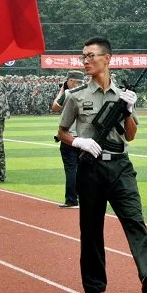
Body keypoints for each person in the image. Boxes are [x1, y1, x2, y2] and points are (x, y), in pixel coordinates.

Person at [58, 37, 147, 293]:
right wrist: (79, 141)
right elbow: (61, 132)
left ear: (107, 59)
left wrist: (129, 110)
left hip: (120, 166)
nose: (85, 61)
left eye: (91, 56)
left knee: (134, 220)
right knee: (92, 230)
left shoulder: (123, 96)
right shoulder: (76, 96)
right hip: (91, 168)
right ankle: (94, 290)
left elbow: (130, 134)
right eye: (83, 56)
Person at [51, 69, 85, 208]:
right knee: (83, 170)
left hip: (69, 137)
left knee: (71, 169)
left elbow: (55, 107)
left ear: (70, 80)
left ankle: (71, 199)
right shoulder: (89, 93)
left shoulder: (68, 93)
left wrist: (62, 89)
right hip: (84, 138)